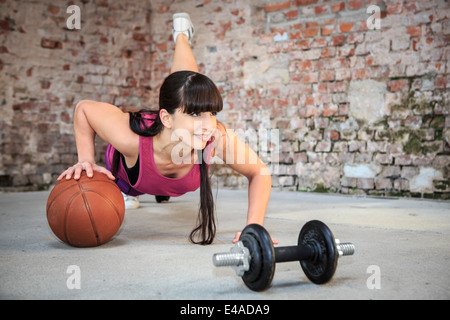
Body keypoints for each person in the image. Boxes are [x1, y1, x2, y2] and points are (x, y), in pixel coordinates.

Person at [58, 13, 274, 245]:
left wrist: (254, 228)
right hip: (130, 179)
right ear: (165, 119)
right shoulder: (130, 138)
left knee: (186, 84)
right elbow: (83, 109)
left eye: (212, 113)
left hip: (168, 143)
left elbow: (259, 172)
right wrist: (86, 160)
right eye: (195, 114)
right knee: (182, 96)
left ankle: (181, 35)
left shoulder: (214, 135)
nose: (208, 125)